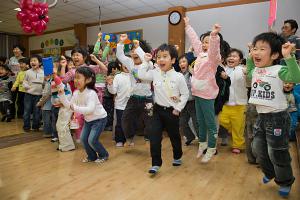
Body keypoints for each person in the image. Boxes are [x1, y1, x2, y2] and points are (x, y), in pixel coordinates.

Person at [247, 32, 300, 197]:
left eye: (262, 49)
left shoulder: (279, 70)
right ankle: (270, 172)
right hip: (261, 116)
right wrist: (250, 57)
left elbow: (296, 76)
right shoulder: (256, 70)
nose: (256, 52)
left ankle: (285, 180)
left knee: (276, 152)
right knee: (257, 148)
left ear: (275, 54)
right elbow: (249, 73)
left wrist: (289, 57)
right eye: (255, 48)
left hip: (277, 118)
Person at [138, 43, 189, 174]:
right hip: (157, 110)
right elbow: (141, 75)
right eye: (158, 57)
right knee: (154, 136)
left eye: (165, 56)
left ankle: (177, 156)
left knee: (174, 136)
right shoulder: (155, 73)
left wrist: (178, 108)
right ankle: (156, 163)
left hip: (172, 112)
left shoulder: (179, 77)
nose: (161, 59)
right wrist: (145, 61)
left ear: (172, 60)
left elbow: (185, 94)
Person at [184, 17, 222, 162]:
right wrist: (188, 26)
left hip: (207, 95)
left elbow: (214, 50)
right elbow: (194, 41)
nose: (204, 44)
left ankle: (211, 149)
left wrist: (213, 36)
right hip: (197, 94)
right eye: (204, 42)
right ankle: (202, 144)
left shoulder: (213, 59)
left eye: (207, 42)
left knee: (210, 124)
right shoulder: (200, 54)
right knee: (200, 121)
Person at [56, 67, 108, 162]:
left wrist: (74, 108)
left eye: (78, 77)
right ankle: (92, 156)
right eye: (75, 77)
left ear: (88, 80)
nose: (75, 80)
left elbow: (89, 110)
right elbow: (69, 106)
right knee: (83, 139)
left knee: (92, 140)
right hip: (88, 120)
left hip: (99, 119)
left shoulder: (91, 93)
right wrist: (62, 95)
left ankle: (103, 155)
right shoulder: (76, 93)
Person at [116, 34, 153, 145]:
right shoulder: (130, 62)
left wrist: (138, 48)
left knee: (150, 119)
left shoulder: (149, 64)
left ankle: (149, 136)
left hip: (147, 99)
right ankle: (129, 137)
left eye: (136, 50)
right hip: (133, 98)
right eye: (132, 50)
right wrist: (121, 43)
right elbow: (120, 55)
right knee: (125, 119)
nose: (134, 53)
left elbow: (144, 57)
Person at [219, 48, 248, 154]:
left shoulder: (242, 69)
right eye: (229, 56)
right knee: (222, 120)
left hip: (239, 104)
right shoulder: (222, 69)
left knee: (238, 126)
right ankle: (232, 129)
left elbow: (249, 73)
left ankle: (238, 145)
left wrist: (246, 70)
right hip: (225, 104)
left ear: (240, 60)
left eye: (234, 56)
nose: (231, 58)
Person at [107, 61, 131, 147]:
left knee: (129, 123)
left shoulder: (134, 76)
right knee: (120, 123)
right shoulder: (118, 76)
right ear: (121, 65)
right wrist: (110, 84)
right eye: (126, 63)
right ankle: (119, 140)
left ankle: (128, 139)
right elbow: (113, 91)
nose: (127, 66)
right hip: (120, 104)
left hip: (131, 104)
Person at [178, 54, 198, 146]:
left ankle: (202, 140)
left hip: (193, 102)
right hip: (183, 102)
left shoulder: (192, 74)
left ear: (188, 63)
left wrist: (193, 73)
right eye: (180, 62)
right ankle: (190, 136)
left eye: (184, 61)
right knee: (182, 122)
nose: (182, 64)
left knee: (196, 122)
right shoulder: (178, 75)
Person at [22, 55, 44, 132]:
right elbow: (24, 81)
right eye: (31, 61)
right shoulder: (27, 72)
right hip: (28, 95)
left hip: (39, 95)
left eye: (35, 60)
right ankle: (26, 127)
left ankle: (35, 127)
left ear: (40, 62)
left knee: (37, 112)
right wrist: (26, 86)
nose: (32, 62)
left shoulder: (43, 72)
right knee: (26, 111)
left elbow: (45, 83)